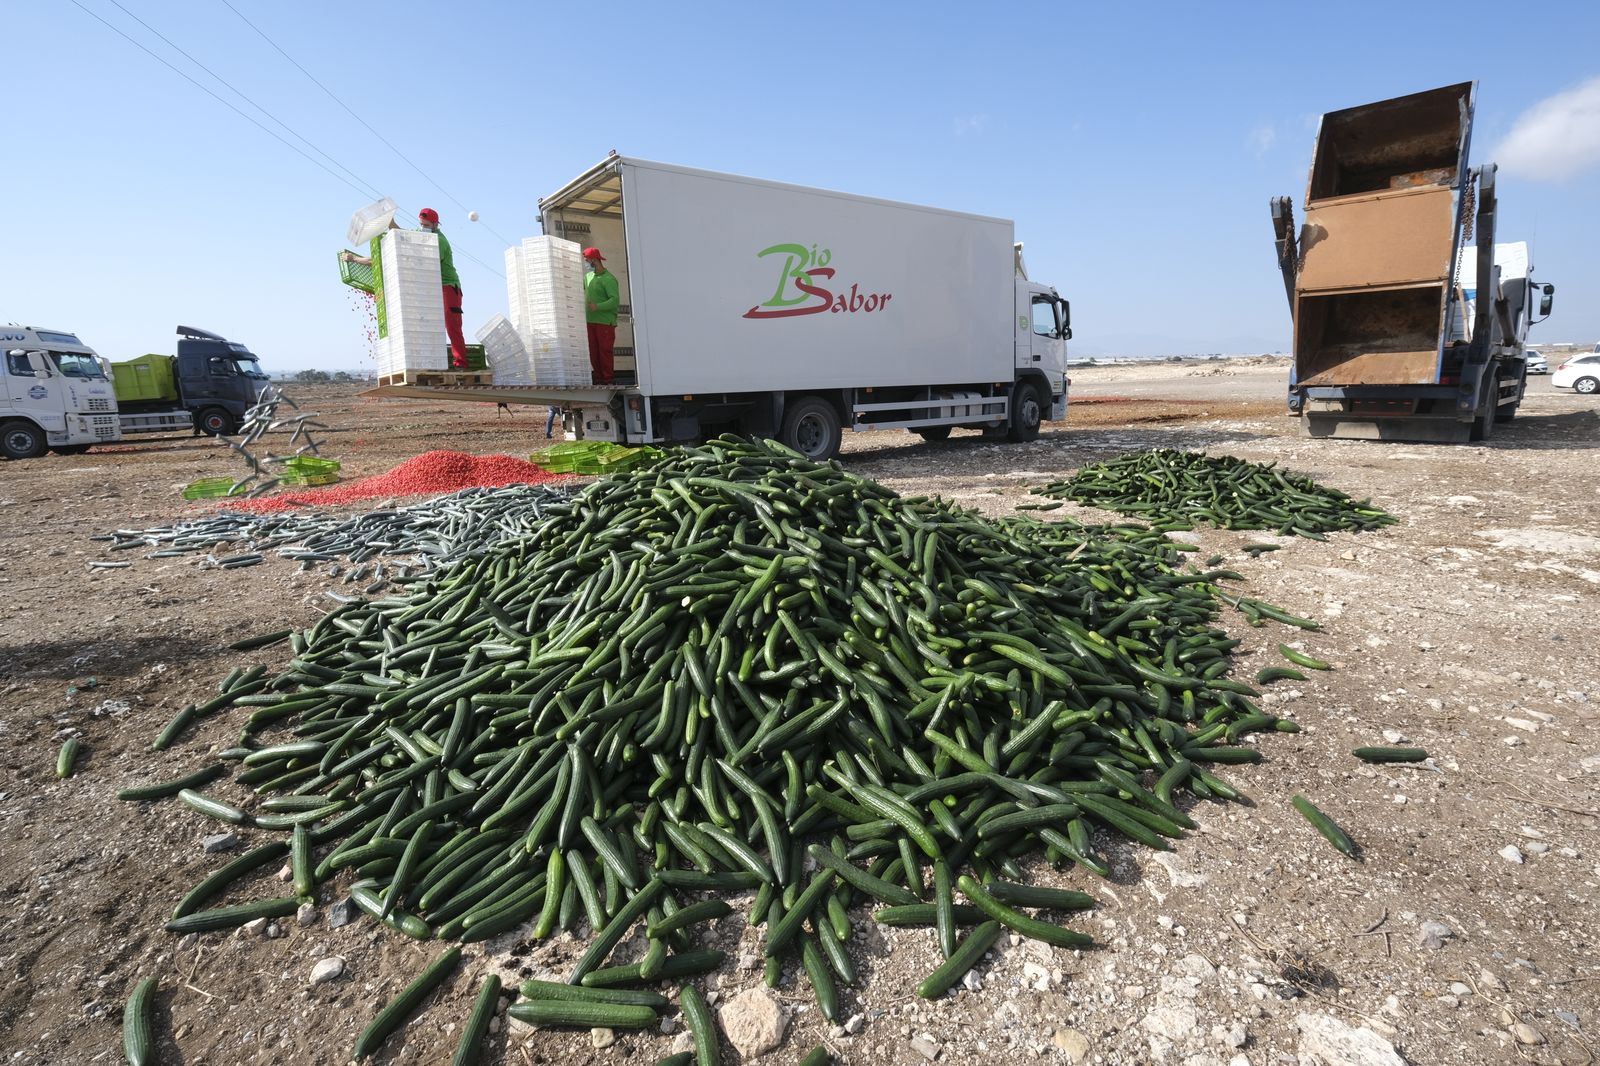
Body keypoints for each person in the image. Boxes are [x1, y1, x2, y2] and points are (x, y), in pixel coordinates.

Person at [341, 209, 468, 370]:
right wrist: (389, 221)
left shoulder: (440, 242)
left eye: (426, 225)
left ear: (436, 224)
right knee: (425, 326)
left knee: (452, 325)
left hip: (447, 286)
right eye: (421, 224)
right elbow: (401, 236)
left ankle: (460, 363)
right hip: (429, 287)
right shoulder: (419, 236)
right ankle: (430, 361)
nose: (423, 228)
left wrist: (406, 252)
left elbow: (421, 257)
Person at [583, 246, 618, 385]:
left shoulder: (609, 279)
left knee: (605, 351)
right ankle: (598, 379)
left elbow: (615, 301)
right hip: (590, 321)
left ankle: (608, 380)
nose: (586, 263)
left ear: (595, 260)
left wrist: (598, 306)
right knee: (593, 352)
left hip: (605, 322)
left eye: (587, 260)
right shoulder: (588, 277)